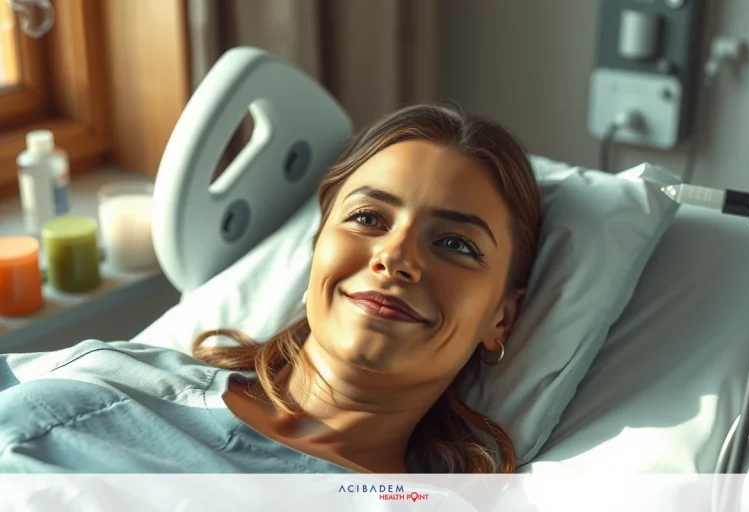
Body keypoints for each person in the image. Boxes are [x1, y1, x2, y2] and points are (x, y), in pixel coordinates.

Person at [0, 104, 542, 474]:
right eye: (367, 218)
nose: (396, 257)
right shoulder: (113, 370)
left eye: (456, 244)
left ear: (500, 318)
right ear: (317, 252)